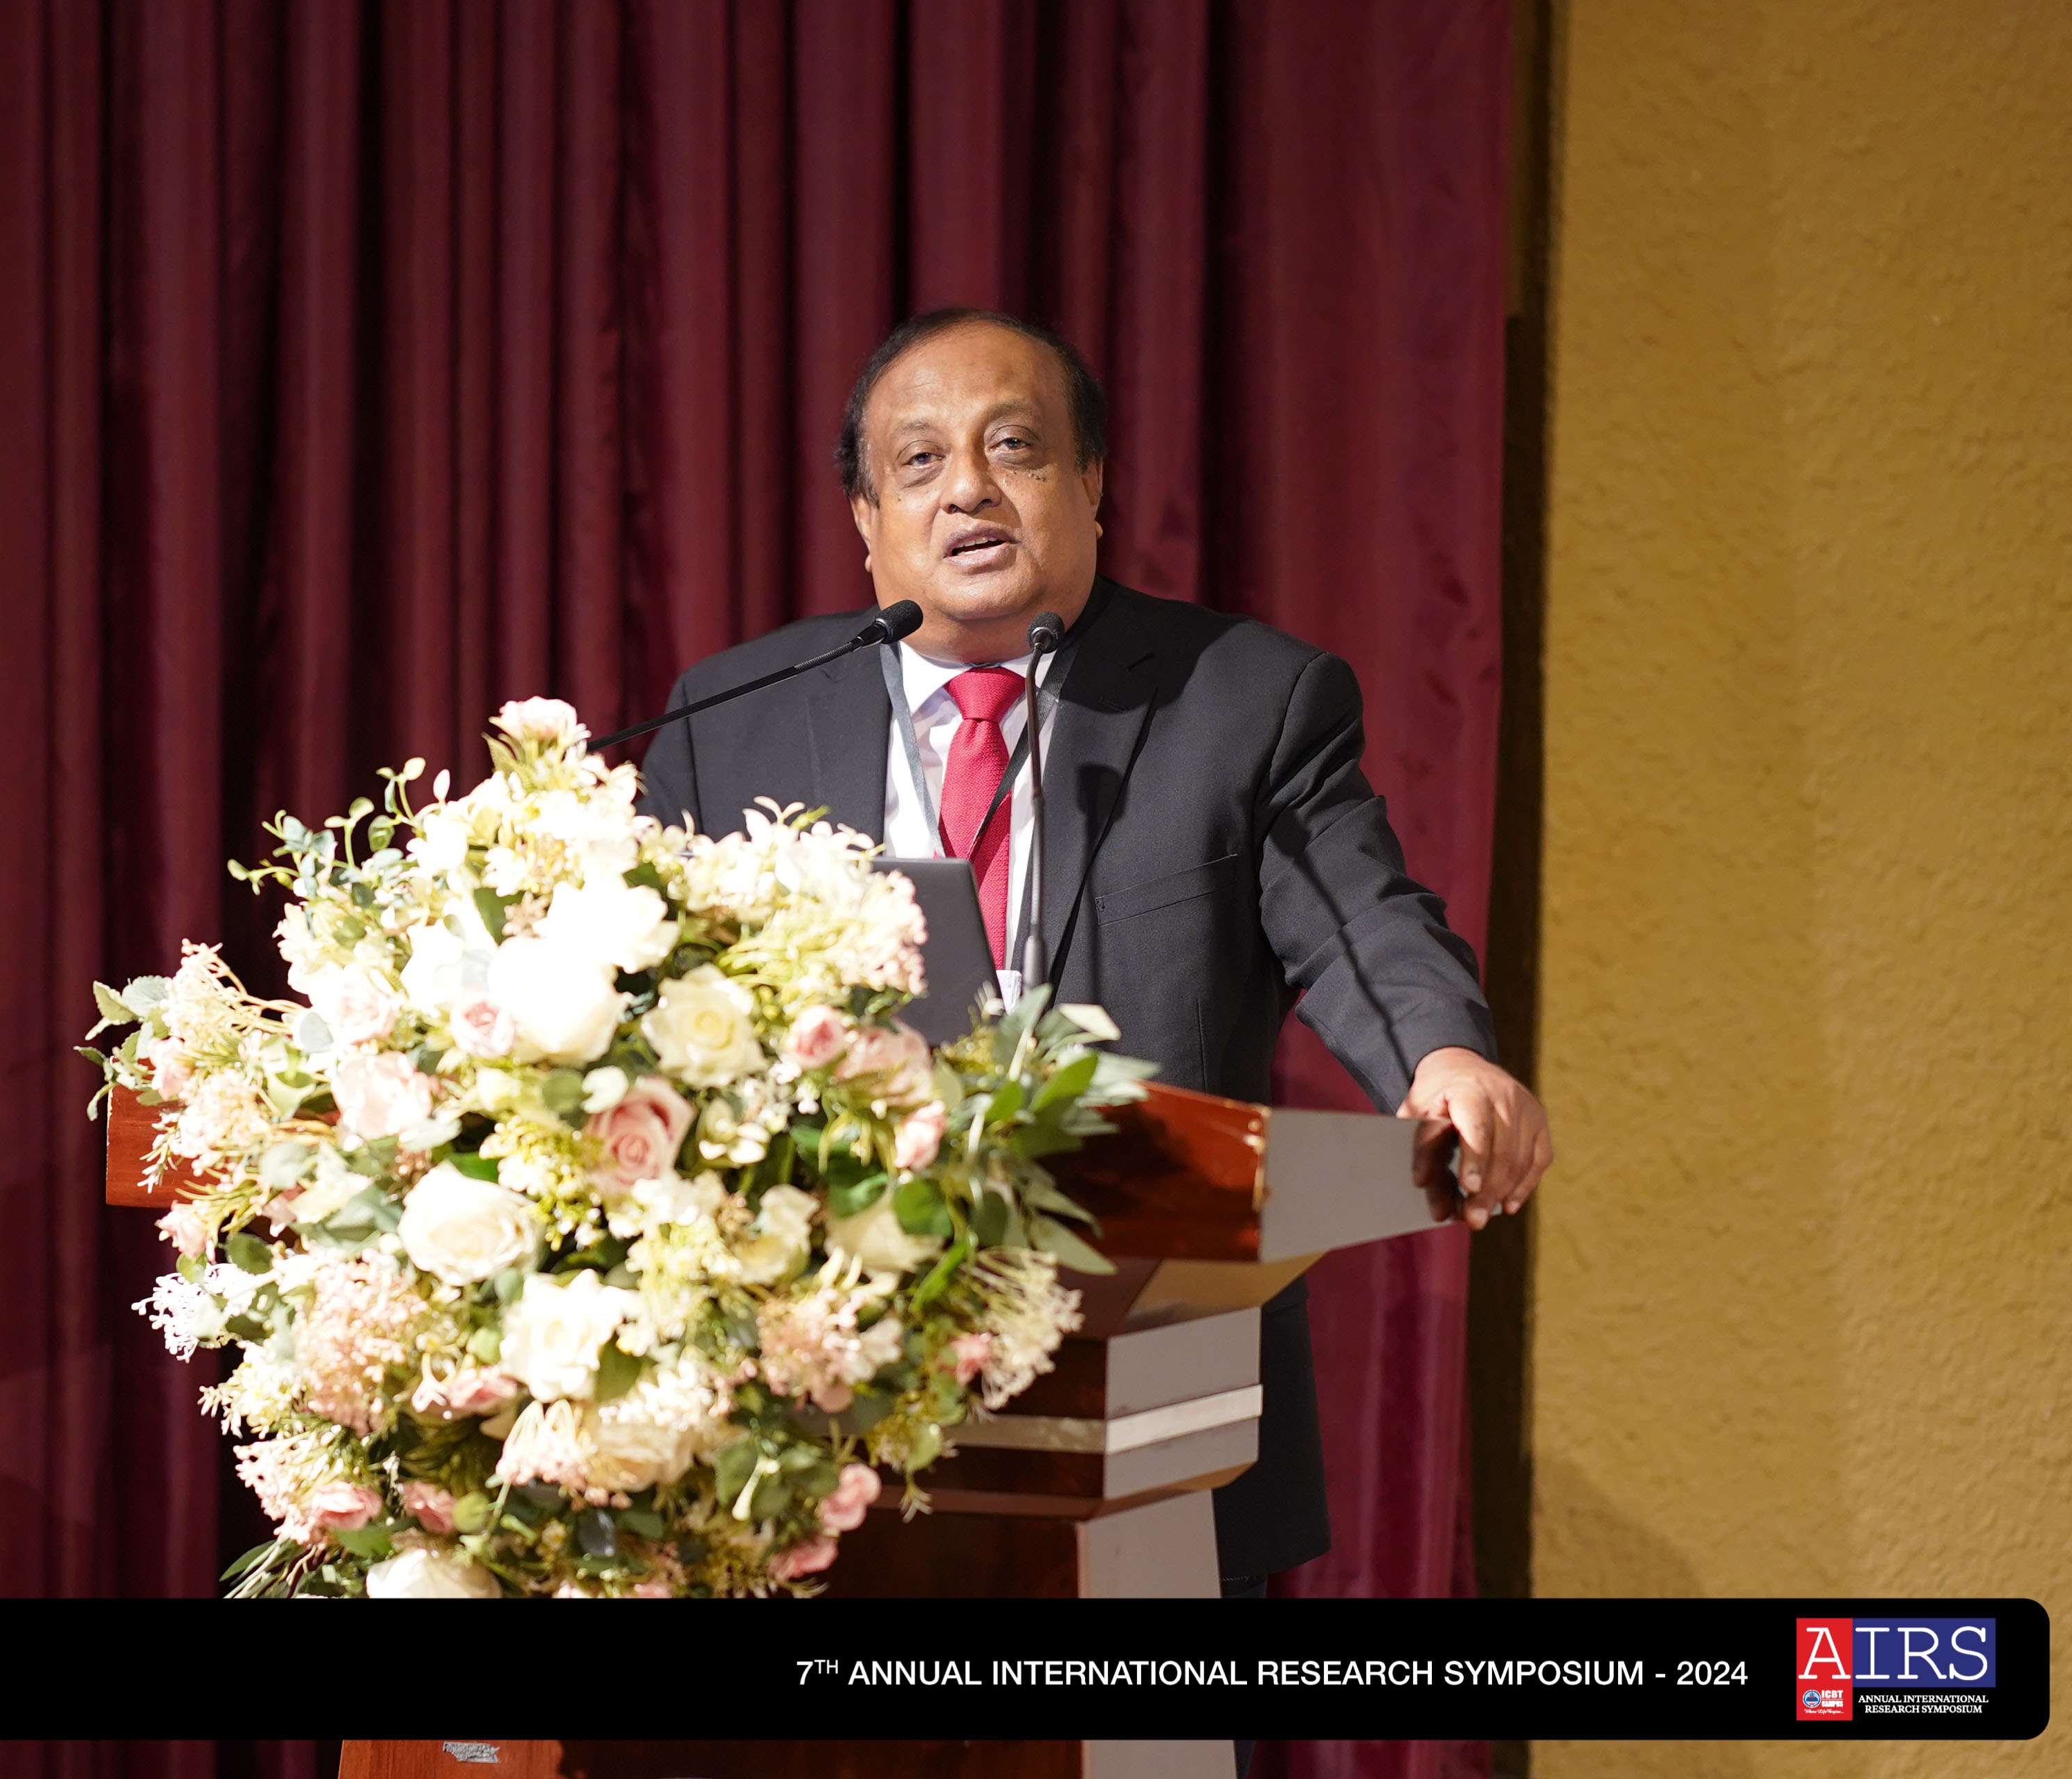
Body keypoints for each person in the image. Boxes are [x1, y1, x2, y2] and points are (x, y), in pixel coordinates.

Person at [636, 310, 1553, 1759]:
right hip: (804, 1419)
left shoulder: (1242, 699)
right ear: (866, 522)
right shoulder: (734, 718)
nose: (968, 489)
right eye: (918, 461)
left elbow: (1358, 918)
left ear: (1094, 486)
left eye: (1014, 447)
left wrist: (1441, 1056)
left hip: (1146, 1405)